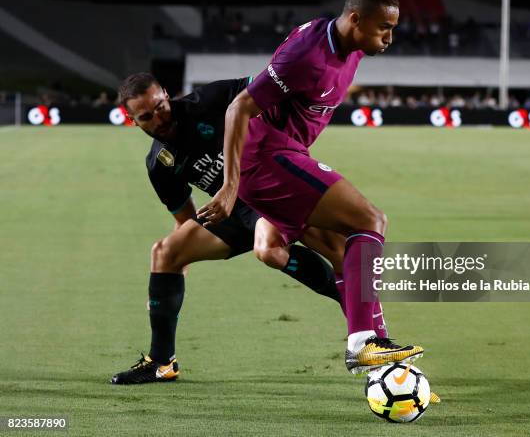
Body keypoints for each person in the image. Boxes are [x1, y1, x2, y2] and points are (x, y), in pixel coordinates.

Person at [197, 0, 424, 375]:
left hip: (284, 156)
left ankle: (383, 368)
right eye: (384, 27)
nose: (390, 37)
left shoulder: (348, 45)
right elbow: (239, 108)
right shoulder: (309, 54)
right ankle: (362, 344)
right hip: (267, 160)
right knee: (371, 221)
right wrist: (230, 187)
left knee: (343, 250)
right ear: (355, 19)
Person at [110, 73, 388, 384]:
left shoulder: (211, 99)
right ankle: (162, 362)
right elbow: (185, 220)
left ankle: (371, 337)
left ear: (165, 92)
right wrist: (173, 276)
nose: (159, 117)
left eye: (161, 106)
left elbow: (275, 83)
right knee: (165, 253)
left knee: (284, 249)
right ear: (132, 119)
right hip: (232, 212)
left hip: (272, 184)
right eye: (147, 116)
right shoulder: (158, 164)